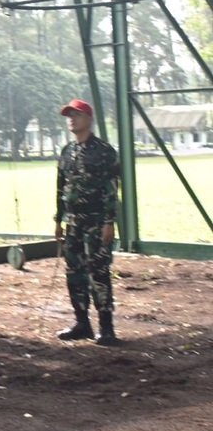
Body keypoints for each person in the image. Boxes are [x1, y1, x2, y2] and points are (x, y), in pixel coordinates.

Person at [54, 99, 120, 346]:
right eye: (68, 115)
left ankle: (106, 327)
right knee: (74, 274)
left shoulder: (104, 151)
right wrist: (58, 219)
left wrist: (109, 221)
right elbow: (61, 186)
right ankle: (82, 323)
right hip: (73, 223)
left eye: (77, 115)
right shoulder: (67, 151)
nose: (71, 119)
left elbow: (111, 188)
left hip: (96, 221)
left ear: (89, 119)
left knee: (99, 273)